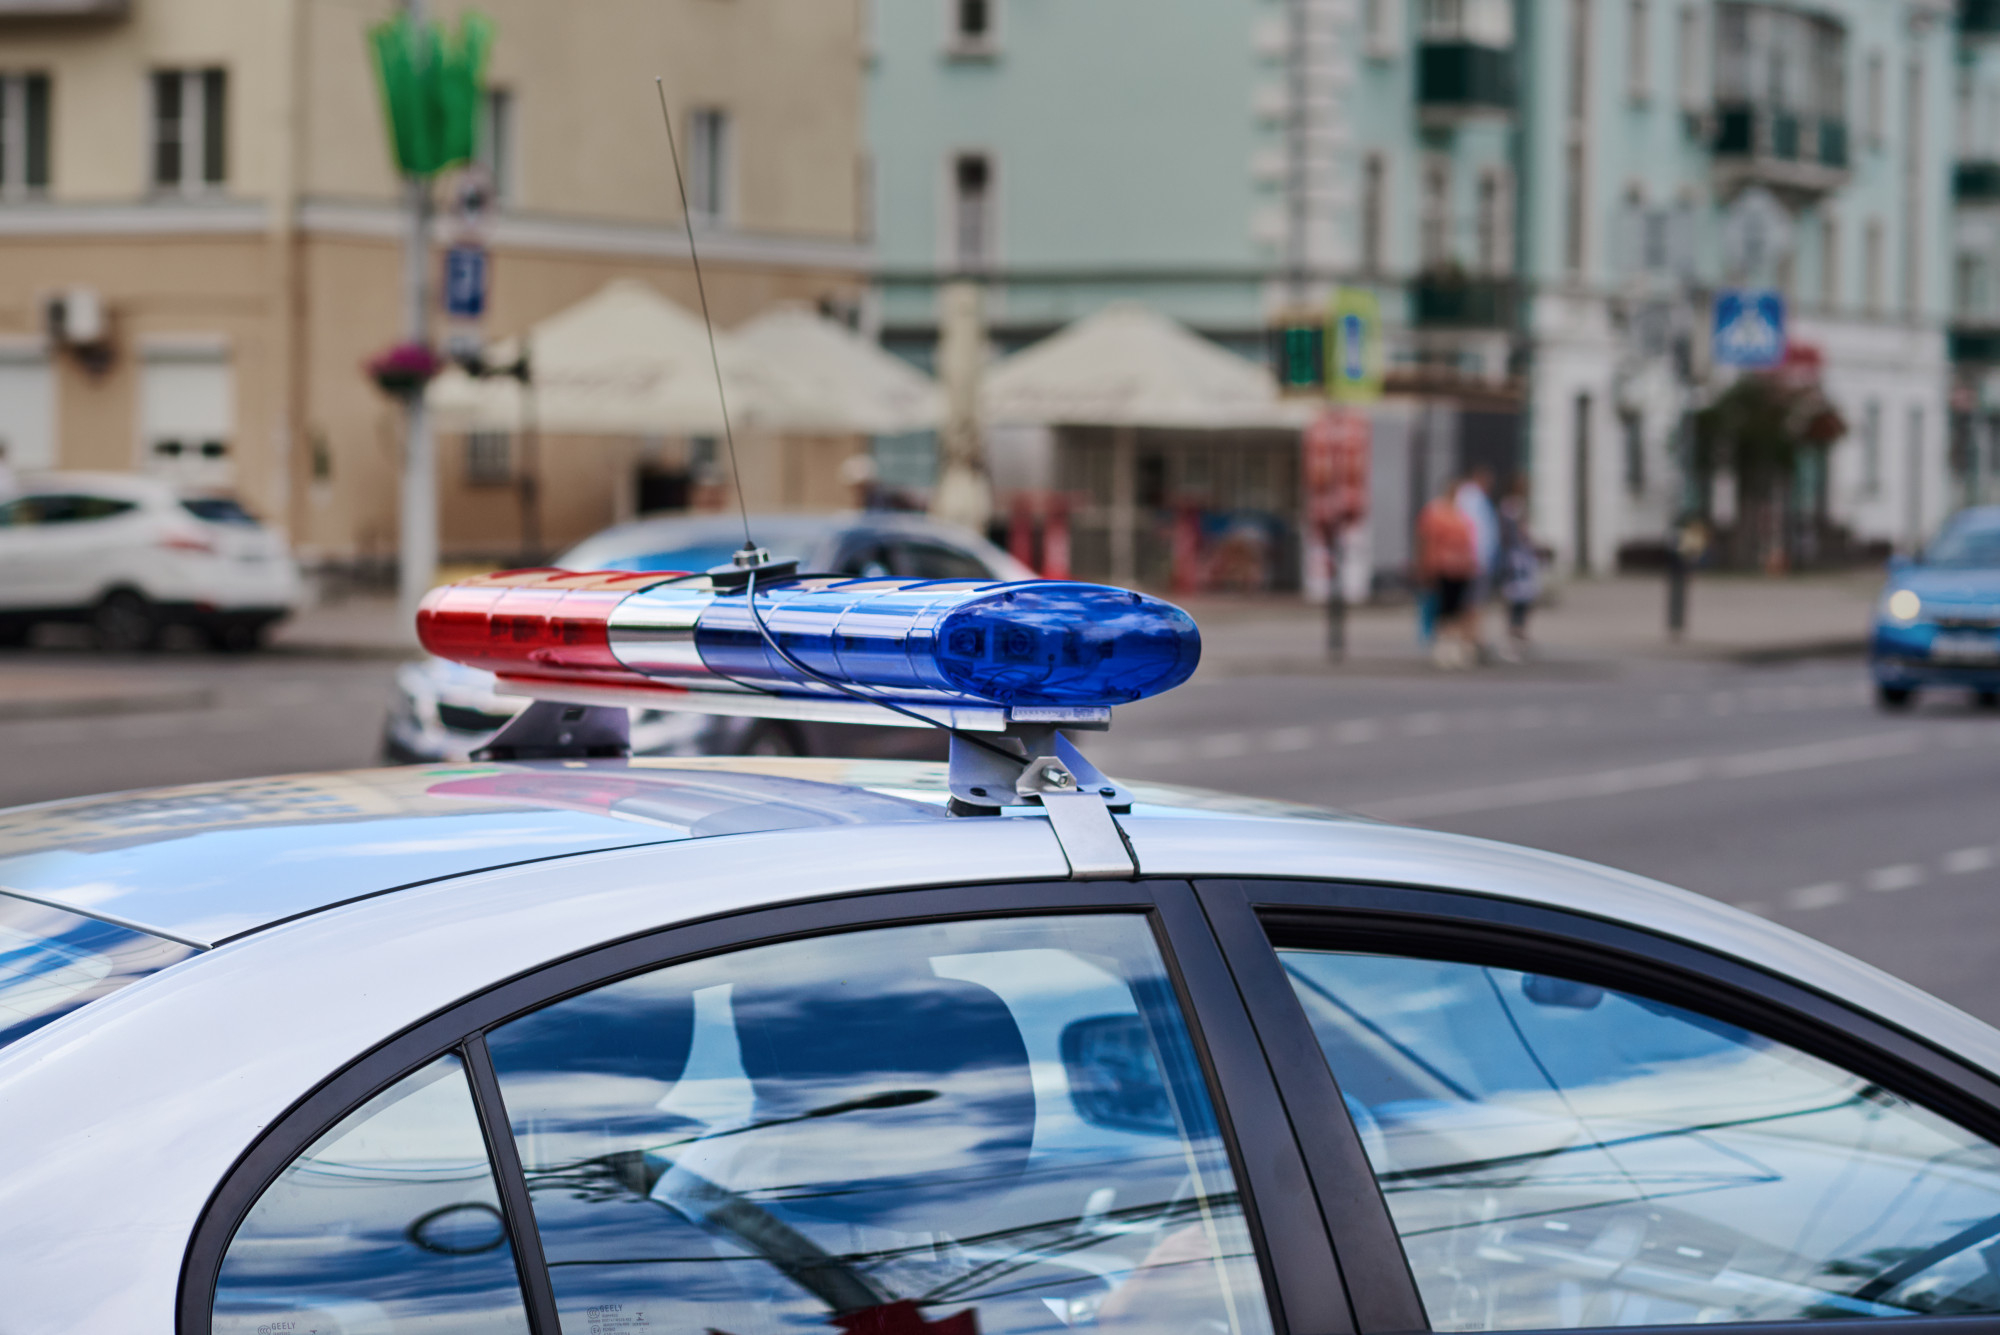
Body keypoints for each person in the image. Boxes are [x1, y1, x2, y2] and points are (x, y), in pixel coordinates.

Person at [1415, 480, 1479, 669]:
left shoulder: (1461, 512)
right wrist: (1425, 566)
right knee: (1443, 608)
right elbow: (1426, 540)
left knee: (1458, 608)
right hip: (1442, 566)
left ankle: (1455, 647)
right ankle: (1444, 647)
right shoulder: (1435, 512)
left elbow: (1470, 540)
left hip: (1461, 568)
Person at [1454, 467, 1499, 659]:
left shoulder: (1475, 498)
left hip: (1480, 560)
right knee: (1472, 603)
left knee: (1475, 603)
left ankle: (1473, 639)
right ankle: (1469, 640)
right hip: (1474, 560)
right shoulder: (1470, 498)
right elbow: (1473, 531)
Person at [1496, 481, 1540, 661]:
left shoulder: (1516, 507)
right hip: (1514, 563)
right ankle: (1513, 637)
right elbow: (1511, 535)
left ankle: (1519, 633)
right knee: (1515, 601)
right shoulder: (1510, 508)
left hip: (1522, 562)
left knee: (1524, 600)